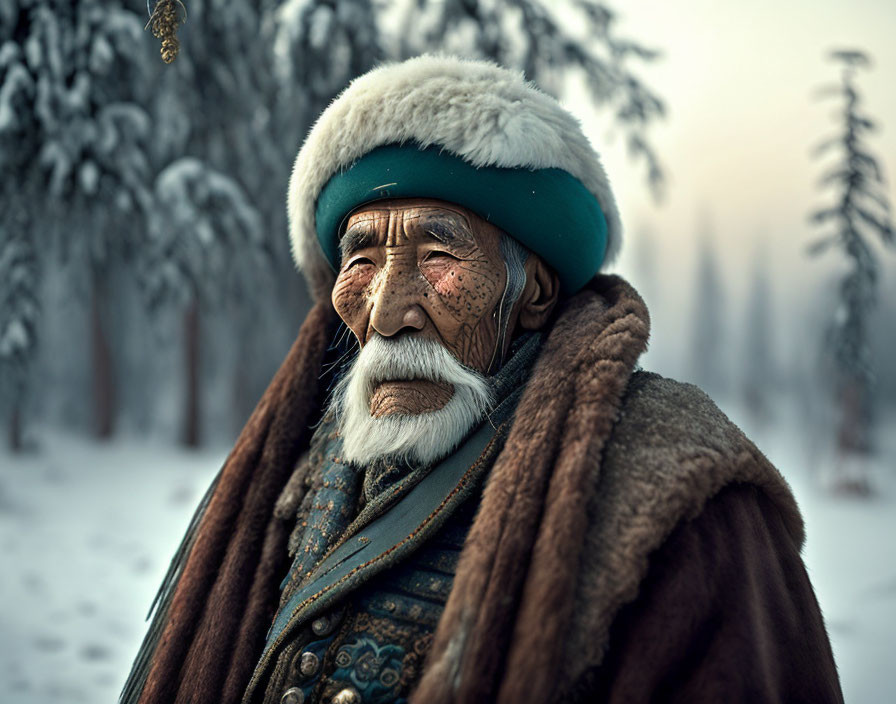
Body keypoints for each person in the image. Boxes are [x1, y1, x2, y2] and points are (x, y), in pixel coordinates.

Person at [122, 55, 843, 704]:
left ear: (531, 293)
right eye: (361, 259)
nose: (388, 307)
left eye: (438, 252)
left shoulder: (687, 502)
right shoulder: (294, 470)